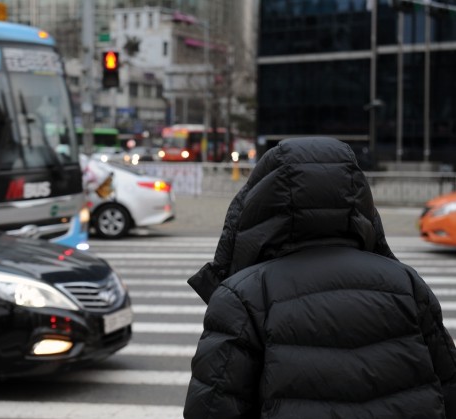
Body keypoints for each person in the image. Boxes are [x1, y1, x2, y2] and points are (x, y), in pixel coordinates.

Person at [184, 137, 456, 418]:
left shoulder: (243, 296)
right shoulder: (405, 284)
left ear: (261, 200)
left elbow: (212, 408)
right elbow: (449, 387)